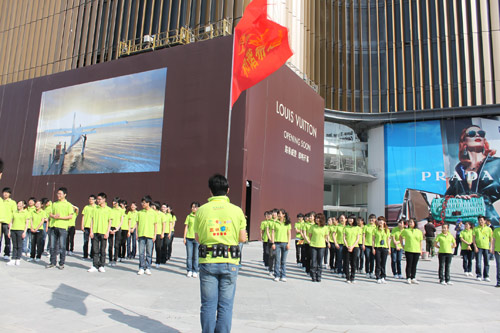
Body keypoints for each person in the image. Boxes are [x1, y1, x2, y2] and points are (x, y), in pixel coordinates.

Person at [193, 174, 246, 333]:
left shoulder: (201, 210)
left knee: (208, 304)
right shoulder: (237, 211)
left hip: (208, 260)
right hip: (230, 261)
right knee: (226, 305)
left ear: (210, 191)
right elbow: (242, 237)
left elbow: (197, 237)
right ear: (228, 190)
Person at [445, 125, 500, 225]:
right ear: (464, 141)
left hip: (492, 223)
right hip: (464, 224)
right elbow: (446, 198)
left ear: (484, 141)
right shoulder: (459, 169)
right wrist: (458, 197)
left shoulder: (497, 164)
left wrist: (485, 199)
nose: (477, 135)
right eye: (472, 134)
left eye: (481, 134)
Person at [46, 187, 74, 270]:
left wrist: (60, 218)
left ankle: (61, 263)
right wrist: (53, 216)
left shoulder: (68, 204)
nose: (58, 195)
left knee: (62, 246)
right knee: (52, 246)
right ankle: (52, 262)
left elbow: (70, 216)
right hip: (53, 227)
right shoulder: (54, 204)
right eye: (58, 194)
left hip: (62, 228)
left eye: (60, 194)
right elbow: (50, 213)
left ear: (65, 195)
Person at [88, 193, 112, 273]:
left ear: (104, 199)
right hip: (95, 231)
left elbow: (110, 221)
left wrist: (107, 232)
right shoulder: (95, 209)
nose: (98, 201)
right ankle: (95, 265)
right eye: (97, 199)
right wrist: (91, 231)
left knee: (103, 250)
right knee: (95, 250)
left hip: (103, 232)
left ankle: (101, 265)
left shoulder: (108, 210)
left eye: (100, 199)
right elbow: (92, 220)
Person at [305, 213, 330, 282]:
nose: (316, 219)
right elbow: (310, 235)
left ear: (321, 219)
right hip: (313, 245)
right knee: (313, 261)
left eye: (318, 218)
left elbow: (326, 236)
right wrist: (311, 242)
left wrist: (328, 242)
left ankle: (319, 276)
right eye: (316, 218)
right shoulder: (312, 227)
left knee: (320, 261)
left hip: (322, 246)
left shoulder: (325, 227)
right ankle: (313, 276)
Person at [136, 196, 157, 275]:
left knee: (149, 252)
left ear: (148, 203)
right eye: (142, 202)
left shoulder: (153, 213)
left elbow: (155, 225)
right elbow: (137, 224)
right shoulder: (140, 212)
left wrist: (154, 235)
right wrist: (137, 233)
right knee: (141, 252)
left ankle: (148, 267)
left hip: (150, 235)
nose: (142, 204)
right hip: (141, 234)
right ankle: (141, 267)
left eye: (144, 202)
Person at [400, 218, 424, 284]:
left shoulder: (419, 231)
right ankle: (408, 277)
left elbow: (421, 241)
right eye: (409, 222)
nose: (410, 223)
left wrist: (420, 249)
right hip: (409, 249)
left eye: (411, 222)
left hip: (416, 250)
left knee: (414, 265)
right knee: (409, 264)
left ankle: (413, 277)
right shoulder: (406, 231)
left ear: (415, 223)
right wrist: (402, 245)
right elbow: (400, 237)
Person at [271, 209, 292, 282]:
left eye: (280, 214)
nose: (278, 215)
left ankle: (283, 275)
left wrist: (289, 243)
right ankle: (277, 275)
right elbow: (273, 233)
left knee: (283, 260)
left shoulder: (287, 223)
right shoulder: (275, 222)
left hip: (285, 243)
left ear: (284, 215)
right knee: (277, 260)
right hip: (277, 243)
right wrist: (273, 243)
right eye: (278, 214)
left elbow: (289, 234)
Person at [7, 200, 30, 266]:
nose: (18, 205)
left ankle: (18, 259)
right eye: (18, 204)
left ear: (23, 205)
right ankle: (13, 258)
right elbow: (11, 222)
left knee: (19, 245)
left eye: (20, 204)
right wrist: (9, 231)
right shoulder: (14, 212)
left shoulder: (26, 213)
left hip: (21, 230)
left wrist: (24, 232)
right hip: (13, 230)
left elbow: (27, 223)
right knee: (14, 245)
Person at [473, 215, 492, 282]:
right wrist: (475, 246)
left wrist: (491, 247)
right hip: (479, 247)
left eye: (482, 220)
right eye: (479, 220)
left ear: (485, 221)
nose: (480, 221)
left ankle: (486, 276)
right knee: (478, 262)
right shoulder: (476, 229)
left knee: (486, 262)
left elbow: (491, 238)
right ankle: (479, 275)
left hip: (486, 247)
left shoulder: (488, 229)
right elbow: (474, 239)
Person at [184, 201, 200, 277]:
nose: (193, 208)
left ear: (198, 208)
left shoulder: (200, 217)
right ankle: (189, 270)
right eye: (192, 207)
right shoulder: (189, 216)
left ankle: (195, 270)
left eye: (195, 207)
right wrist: (184, 237)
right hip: (189, 238)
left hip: (197, 239)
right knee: (189, 256)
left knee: (196, 256)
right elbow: (186, 227)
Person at [373, 216, 391, 284]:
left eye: (381, 220)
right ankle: (377, 276)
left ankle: (383, 276)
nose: (380, 222)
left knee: (383, 263)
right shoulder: (375, 230)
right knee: (378, 262)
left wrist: (389, 248)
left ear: (384, 222)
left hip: (385, 248)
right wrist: (373, 248)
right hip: (377, 247)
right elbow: (373, 240)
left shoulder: (387, 230)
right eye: (379, 220)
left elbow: (388, 240)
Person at [343, 215, 360, 284]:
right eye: (349, 219)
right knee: (346, 262)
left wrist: (352, 246)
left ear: (354, 220)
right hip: (346, 246)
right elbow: (344, 237)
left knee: (353, 263)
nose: (350, 220)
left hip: (355, 247)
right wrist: (347, 246)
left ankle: (352, 277)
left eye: (351, 219)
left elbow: (358, 238)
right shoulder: (345, 228)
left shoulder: (357, 228)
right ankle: (347, 277)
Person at [1, 187, 16, 260]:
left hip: (7, 223)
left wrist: (12, 223)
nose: (5, 193)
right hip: (0, 223)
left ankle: (6, 253)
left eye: (7, 192)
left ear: (9, 194)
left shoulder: (12, 202)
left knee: (7, 239)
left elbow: (14, 213)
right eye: (4, 192)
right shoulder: (0, 201)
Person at [108, 197, 124, 267]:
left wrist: (117, 229)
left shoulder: (121, 210)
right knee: (110, 245)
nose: (113, 203)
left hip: (117, 228)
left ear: (118, 203)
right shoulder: (111, 210)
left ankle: (115, 259)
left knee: (116, 245)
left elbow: (121, 221)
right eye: (113, 201)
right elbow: (108, 220)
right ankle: (110, 259)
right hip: (111, 228)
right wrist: (110, 229)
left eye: (115, 202)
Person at [81, 195, 97, 259]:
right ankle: (85, 255)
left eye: (92, 199)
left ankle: (92, 254)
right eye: (89, 199)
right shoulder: (86, 207)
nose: (90, 200)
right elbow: (83, 216)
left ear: (95, 200)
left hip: (93, 227)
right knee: (85, 241)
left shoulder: (96, 207)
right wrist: (82, 225)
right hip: (86, 226)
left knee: (93, 242)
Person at [363, 214, 376, 278]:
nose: (371, 220)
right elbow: (364, 236)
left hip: (374, 245)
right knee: (367, 258)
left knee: (372, 259)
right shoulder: (366, 227)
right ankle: (367, 272)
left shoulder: (376, 227)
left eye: (372, 219)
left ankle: (371, 272)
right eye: (370, 219)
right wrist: (363, 244)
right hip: (367, 245)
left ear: (375, 220)